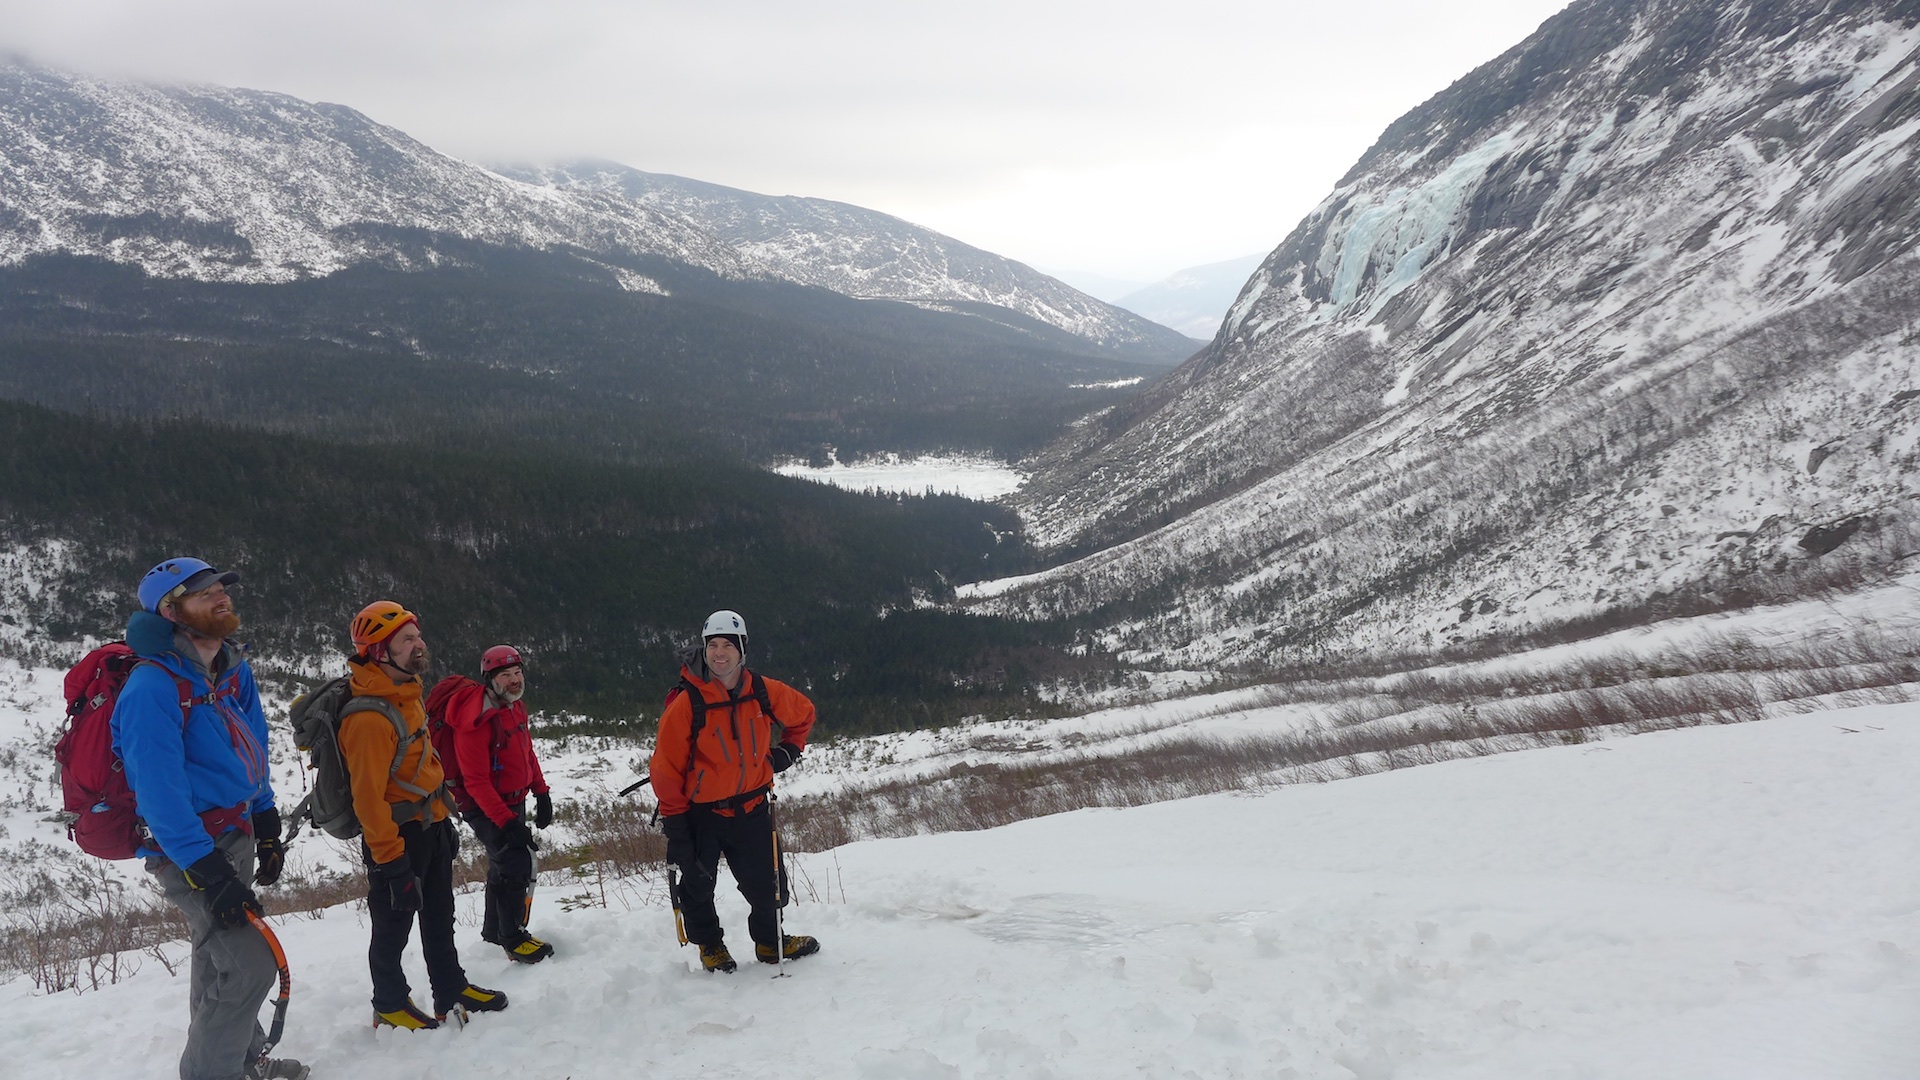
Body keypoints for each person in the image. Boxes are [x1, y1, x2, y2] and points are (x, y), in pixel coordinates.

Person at [112, 557, 309, 1080]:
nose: (222, 598)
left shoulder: (229, 667)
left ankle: (243, 1061)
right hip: (188, 850)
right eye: (204, 594)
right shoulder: (151, 688)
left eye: (222, 589)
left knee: (215, 956)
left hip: (236, 832)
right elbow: (158, 792)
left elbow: (254, 746)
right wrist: (208, 868)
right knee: (250, 967)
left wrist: (265, 821)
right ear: (171, 611)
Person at [342, 600, 507, 1029]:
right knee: (393, 924)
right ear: (380, 651)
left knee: (439, 915)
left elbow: (424, 764)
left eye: (417, 635)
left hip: (429, 826)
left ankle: (450, 987)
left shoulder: (407, 693)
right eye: (406, 640)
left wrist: (442, 817)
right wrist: (390, 858)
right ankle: (390, 1002)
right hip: (396, 835)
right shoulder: (367, 718)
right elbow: (368, 798)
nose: (419, 644)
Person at [649, 609, 820, 973]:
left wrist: (788, 751)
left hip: (753, 806)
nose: (720, 653)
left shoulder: (762, 691)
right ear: (704, 649)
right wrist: (676, 826)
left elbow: (803, 714)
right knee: (696, 886)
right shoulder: (687, 703)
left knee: (768, 883)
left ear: (743, 650)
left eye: (729, 645)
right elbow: (665, 769)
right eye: (713, 645)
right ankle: (710, 945)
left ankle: (769, 940)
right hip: (701, 815)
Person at [444, 644, 554, 963]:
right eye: (505, 675)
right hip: (485, 806)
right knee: (515, 865)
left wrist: (541, 791)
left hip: (513, 800)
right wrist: (506, 823)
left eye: (518, 672)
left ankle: (495, 932)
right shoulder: (474, 721)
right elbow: (475, 781)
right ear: (490, 679)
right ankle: (512, 938)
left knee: (502, 865)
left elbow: (525, 752)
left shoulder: (515, 708)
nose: (514, 680)